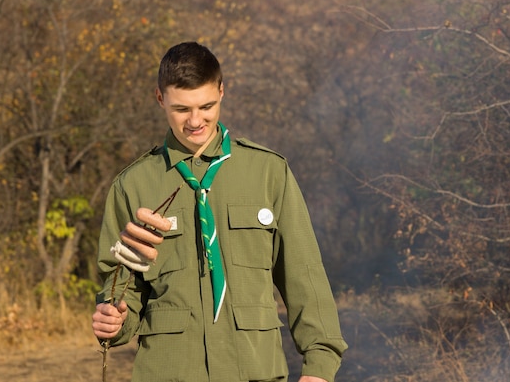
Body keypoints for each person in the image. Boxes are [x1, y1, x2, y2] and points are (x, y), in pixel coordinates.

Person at [91, 41, 347, 382]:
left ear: (222, 91)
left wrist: (320, 367)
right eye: (182, 109)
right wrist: (113, 319)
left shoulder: (269, 171)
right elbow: (122, 292)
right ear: (160, 98)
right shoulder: (132, 185)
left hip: (255, 370)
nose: (196, 121)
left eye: (206, 106)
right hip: (168, 373)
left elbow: (304, 277)